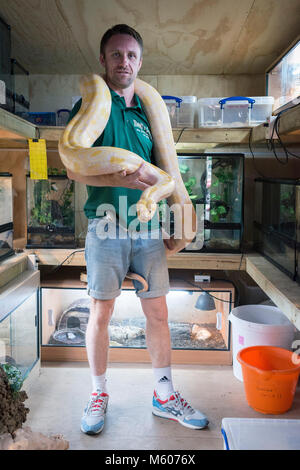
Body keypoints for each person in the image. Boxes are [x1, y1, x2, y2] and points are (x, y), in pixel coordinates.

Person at [66, 24, 208, 435]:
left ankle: (164, 395)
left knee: (158, 312)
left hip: (147, 229)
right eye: (115, 55)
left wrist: (177, 228)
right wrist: (121, 181)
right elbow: (75, 168)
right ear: (103, 61)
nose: (123, 62)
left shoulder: (149, 112)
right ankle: (98, 394)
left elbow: (166, 176)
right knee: (100, 312)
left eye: (130, 55)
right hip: (105, 224)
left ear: (140, 62)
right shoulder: (92, 105)